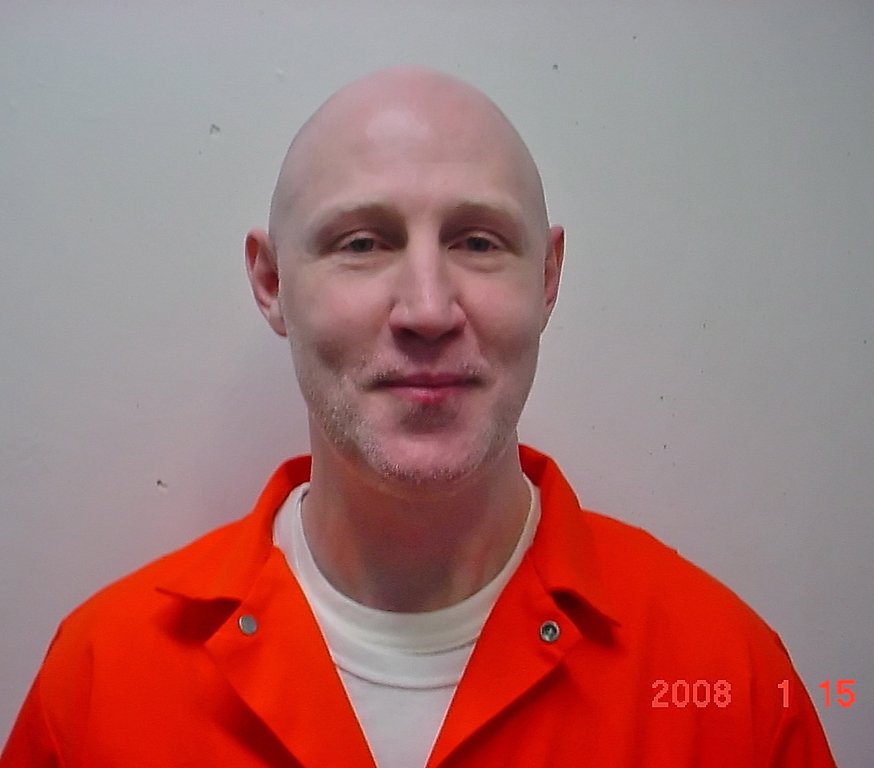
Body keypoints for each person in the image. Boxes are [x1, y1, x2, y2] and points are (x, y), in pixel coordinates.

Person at [1, 67, 836, 767]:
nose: (428, 310)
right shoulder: (102, 682)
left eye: (478, 241)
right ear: (271, 283)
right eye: (362, 243)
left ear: (547, 279)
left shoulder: (727, 679)